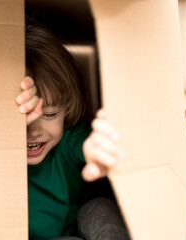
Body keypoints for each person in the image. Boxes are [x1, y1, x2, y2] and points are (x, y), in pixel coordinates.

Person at [16, 25, 130, 240]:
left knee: (99, 207)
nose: (34, 131)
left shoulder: (69, 139)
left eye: (49, 114)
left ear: (66, 109)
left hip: (77, 233)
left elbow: (86, 144)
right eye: (24, 117)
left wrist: (96, 148)